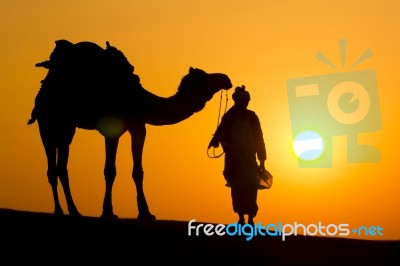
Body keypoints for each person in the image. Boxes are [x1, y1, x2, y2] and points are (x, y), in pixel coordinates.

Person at [208, 85, 267, 225]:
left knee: (251, 187)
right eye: (243, 101)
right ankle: (241, 218)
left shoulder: (252, 117)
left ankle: (250, 218)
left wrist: (262, 161)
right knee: (237, 187)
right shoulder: (229, 117)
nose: (245, 103)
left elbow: (259, 139)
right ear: (238, 101)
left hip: (249, 160)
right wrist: (216, 141)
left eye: (246, 101)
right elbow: (221, 132)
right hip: (233, 159)